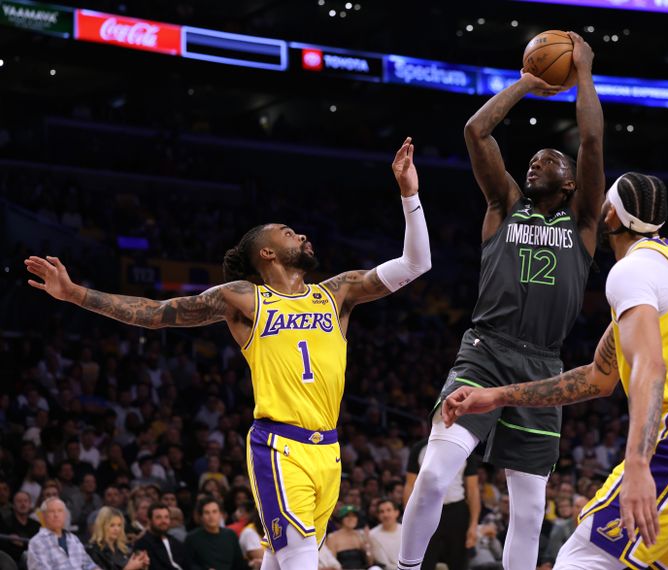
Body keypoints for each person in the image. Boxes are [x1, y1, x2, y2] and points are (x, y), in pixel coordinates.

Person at [26, 137, 430, 570]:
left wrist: (410, 194)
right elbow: (158, 314)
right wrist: (76, 294)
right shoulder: (246, 299)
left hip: (329, 449)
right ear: (267, 252)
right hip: (280, 446)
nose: (302, 234)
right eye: (289, 232)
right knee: (300, 560)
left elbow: (416, 264)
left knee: (284, 560)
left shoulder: (337, 293)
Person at [442, 172, 668, 568]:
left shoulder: (632, 272)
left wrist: (638, 465)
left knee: (580, 558)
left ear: (611, 215)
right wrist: (496, 395)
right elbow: (597, 378)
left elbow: (650, 366)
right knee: (665, 558)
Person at [398, 33, 604, 570]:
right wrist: (525, 84)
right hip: (485, 352)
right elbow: (476, 131)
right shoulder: (505, 203)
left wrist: (583, 72)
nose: (535, 164)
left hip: (543, 365)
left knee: (530, 510)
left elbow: (591, 141)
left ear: (570, 183)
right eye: (531, 159)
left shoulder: (583, 220)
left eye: (548, 160)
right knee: (434, 475)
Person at [403, 439, 480, 570]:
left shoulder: (465, 447)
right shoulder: (419, 448)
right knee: (424, 562)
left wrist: (473, 524)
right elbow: (410, 485)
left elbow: (473, 489)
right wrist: (410, 521)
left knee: (459, 562)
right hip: (426, 511)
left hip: (456, 511)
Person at [27, 497, 99, 570]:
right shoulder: (37, 542)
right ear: (43, 516)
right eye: (51, 511)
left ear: (65, 515)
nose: (56, 515)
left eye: (60, 511)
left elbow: (89, 564)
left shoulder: (74, 539)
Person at [185, 497, 248, 570]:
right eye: (207, 513)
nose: (211, 516)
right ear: (201, 517)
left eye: (214, 512)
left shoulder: (230, 535)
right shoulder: (192, 538)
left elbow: (239, 563)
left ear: (221, 514)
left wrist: (251, 564)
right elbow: (188, 564)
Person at [86, 506, 150, 570]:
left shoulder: (124, 548)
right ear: (102, 526)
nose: (117, 529)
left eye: (119, 525)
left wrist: (141, 564)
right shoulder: (93, 550)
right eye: (112, 525)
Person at [133, 502, 188, 569]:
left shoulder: (175, 542)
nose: (163, 521)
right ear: (149, 520)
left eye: (166, 517)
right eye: (158, 517)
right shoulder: (142, 544)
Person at [325, 506, 380, 570]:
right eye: (347, 516)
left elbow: (370, 562)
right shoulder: (333, 537)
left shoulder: (361, 535)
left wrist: (367, 545)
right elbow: (332, 563)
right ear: (341, 519)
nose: (351, 519)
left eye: (354, 516)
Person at [0, 490, 40, 564]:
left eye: (25, 501)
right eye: (19, 501)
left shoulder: (36, 525)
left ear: (30, 504)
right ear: (13, 505)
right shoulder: (5, 523)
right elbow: (4, 548)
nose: (23, 504)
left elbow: (39, 546)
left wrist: (22, 544)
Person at [368, 499, 402, 570]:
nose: (385, 515)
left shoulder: (405, 531)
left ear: (396, 512)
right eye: (382, 512)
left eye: (389, 510)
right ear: (378, 515)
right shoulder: (372, 535)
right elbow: (384, 564)